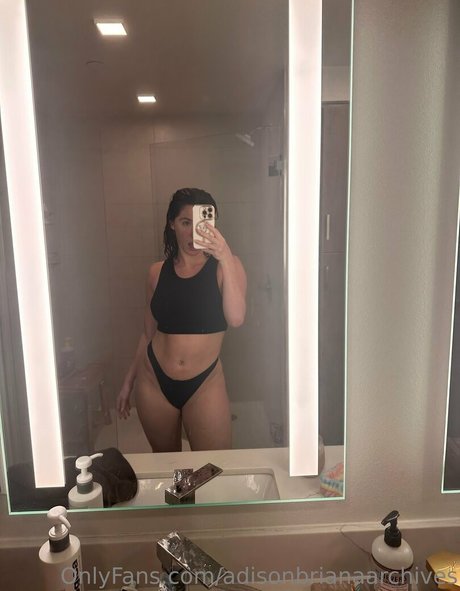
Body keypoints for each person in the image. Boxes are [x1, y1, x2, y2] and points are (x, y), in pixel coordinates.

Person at [116, 188, 247, 452]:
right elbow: (147, 333)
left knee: (211, 467)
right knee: (170, 464)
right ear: (172, 224)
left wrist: (224, 255)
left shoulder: (227, 266)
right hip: (154, 381)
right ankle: (180, 484)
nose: (192, 233)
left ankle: (193, 483)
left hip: (204, 383)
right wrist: (128, 382)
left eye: (201, 224)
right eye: (185, 222)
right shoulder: (156, 273)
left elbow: (236, 318)